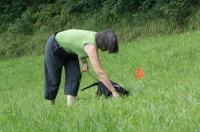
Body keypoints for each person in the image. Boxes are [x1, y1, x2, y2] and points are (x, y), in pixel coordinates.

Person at [44, 29, 120, 106]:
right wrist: (114, 92)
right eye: (107, 48)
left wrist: (84, 62)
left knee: (75, 75)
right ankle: (51, 106)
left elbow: (77, 44)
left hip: (70, 51)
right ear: (104, 42)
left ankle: (70, 106)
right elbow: (100, 73)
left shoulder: (96, 37)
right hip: (54, 46)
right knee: (53, 81)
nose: (106, 50)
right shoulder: (91, 47)